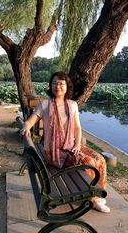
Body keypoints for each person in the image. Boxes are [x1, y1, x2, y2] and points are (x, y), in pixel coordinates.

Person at [21, 71, 110, 213]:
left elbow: (78, 128)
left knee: (100, 159)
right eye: (55, 83)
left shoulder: (72, 105)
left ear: (67, 86)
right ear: (50, 86)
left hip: (71, 146)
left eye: (61, 84)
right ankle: (92, 199)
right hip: (54, 153)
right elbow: (32, 119)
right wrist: (26, 126)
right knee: (89, 162)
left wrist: (77, 145)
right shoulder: (45, 104)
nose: (58, 86)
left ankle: (98, 195)